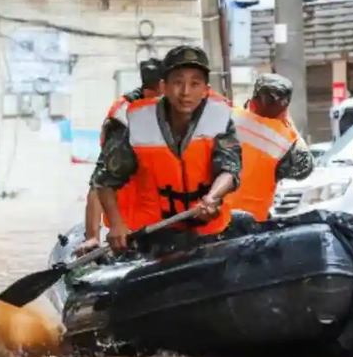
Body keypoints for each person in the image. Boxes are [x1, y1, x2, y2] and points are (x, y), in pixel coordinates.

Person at [92, 45, 242, 252]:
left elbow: (229, 169)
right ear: (164, 86)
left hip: (207, 232)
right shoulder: (137, 122)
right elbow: (104, 180)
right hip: (152, 234)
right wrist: (116, 224)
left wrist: (212, 197)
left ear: (206, 89)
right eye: (178, 82)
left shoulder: (220, 118)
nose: (185, 92)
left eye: (195, 83)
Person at [79, 58, 162, 253]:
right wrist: (92, 237)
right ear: (162, 85)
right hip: (125, 226)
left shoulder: (166, 112)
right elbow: (99, 182)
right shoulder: (124, 120)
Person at [226, 73, 315, 221]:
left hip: (216, 217)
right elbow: (305, 169)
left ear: (253, 102)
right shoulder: (284, 140)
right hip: (253, 224)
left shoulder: (228, 118)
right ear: (284, 110)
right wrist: (288, 123)